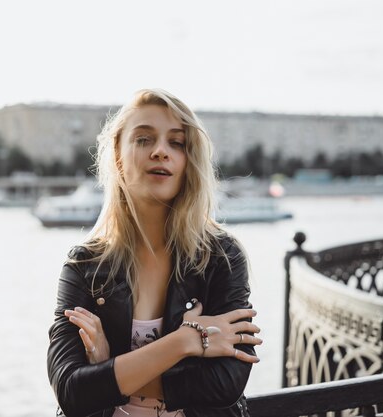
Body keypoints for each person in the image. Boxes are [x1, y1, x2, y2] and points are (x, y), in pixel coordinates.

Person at [47, 89, 262, 417]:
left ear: (189, 160)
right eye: (144, 139)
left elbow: (224, 384)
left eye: (177, 143)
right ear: (118, 155)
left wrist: (107, 368)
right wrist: (186, 341)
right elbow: (71, 391)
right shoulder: (84, 267)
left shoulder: (221, 258)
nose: (161, 151)